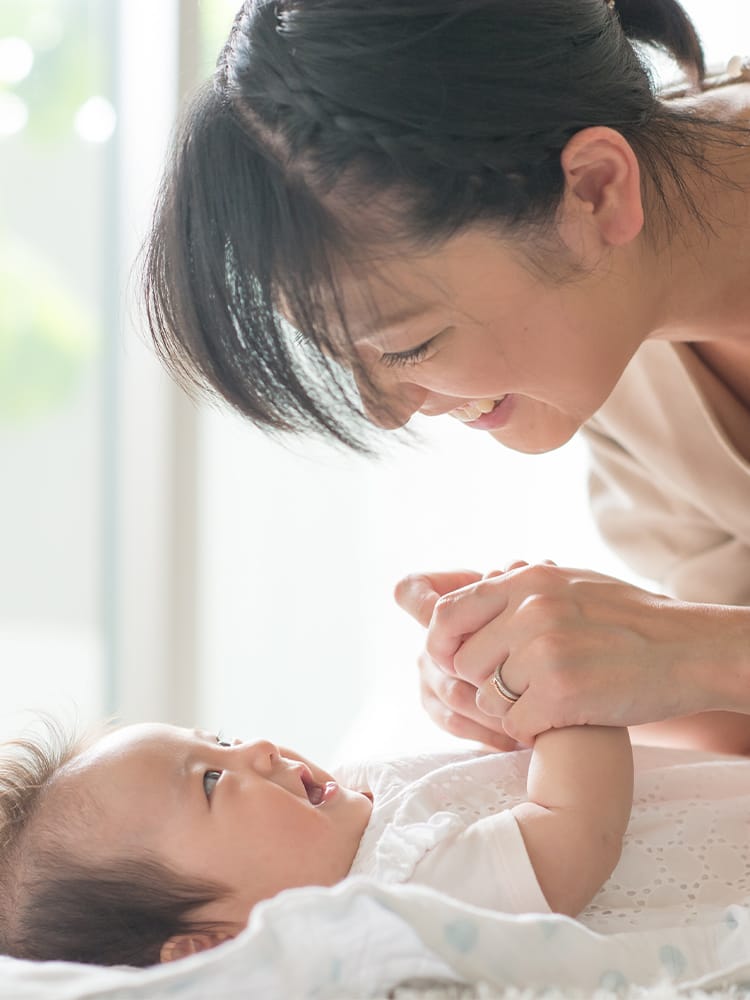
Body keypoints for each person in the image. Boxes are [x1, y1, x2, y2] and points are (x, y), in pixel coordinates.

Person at [142, 0, 750, 753]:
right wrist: (546, 681)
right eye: (347, 362)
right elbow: (735, 726)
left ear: (595, 188)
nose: (388, 413)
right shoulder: (617, 361)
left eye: (407, 346)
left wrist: (689, 648)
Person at [0, 717, 632, 967]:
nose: (258, 747)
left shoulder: (353, 809)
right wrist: (565, 696)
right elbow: (576, 830)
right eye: (213, 779)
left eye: (219, 736)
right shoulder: (388, 909)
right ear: (208, 948)